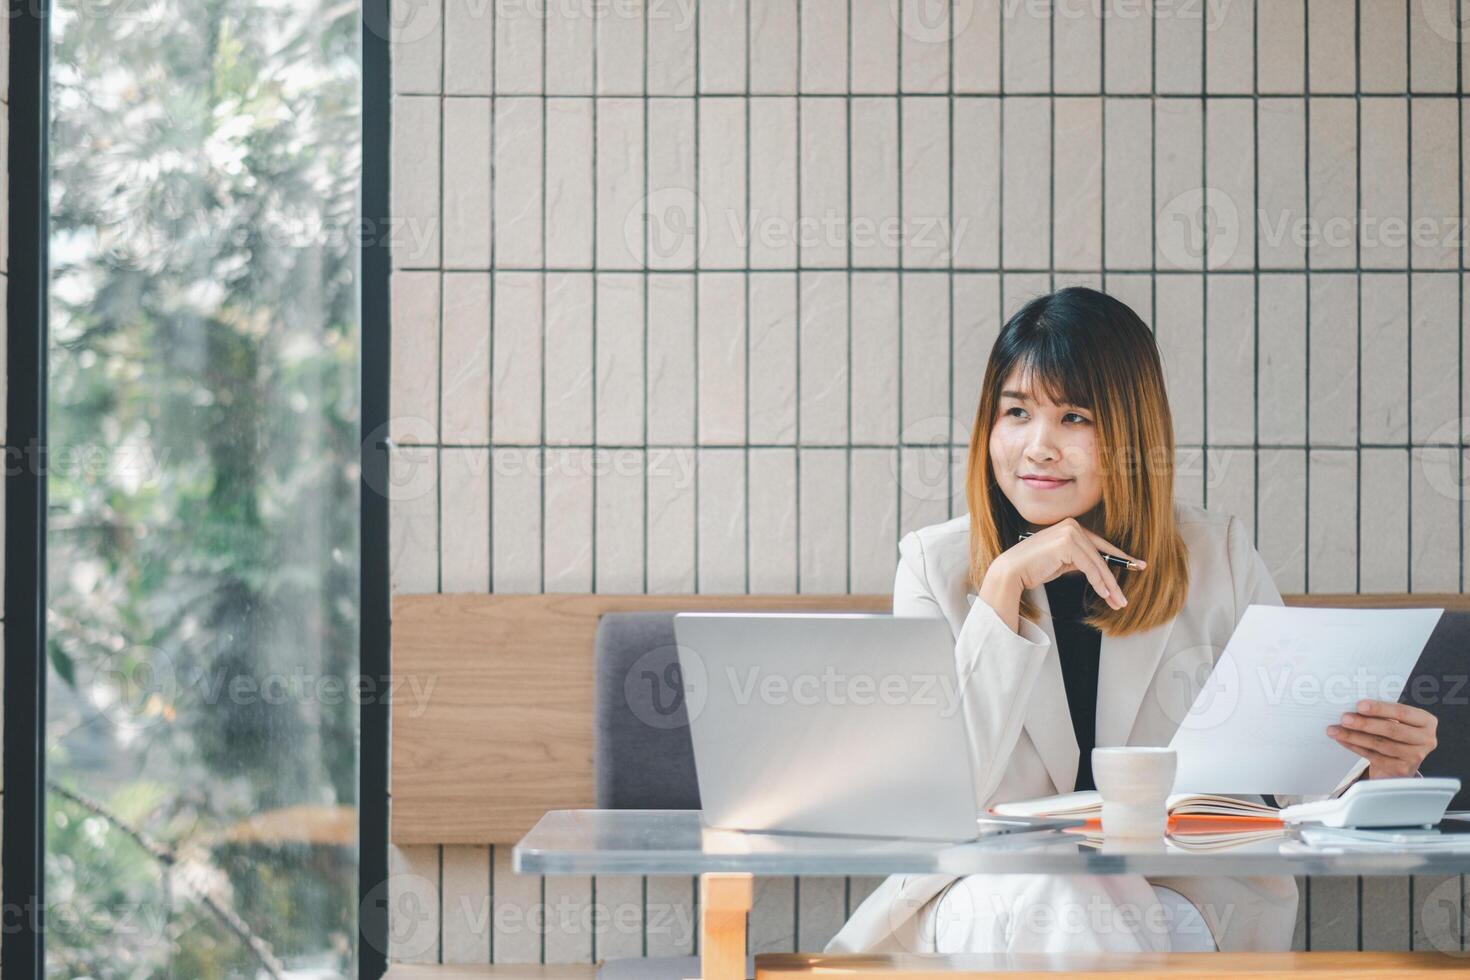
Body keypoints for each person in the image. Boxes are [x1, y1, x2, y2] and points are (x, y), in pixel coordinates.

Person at [825, 286, 1439, 956]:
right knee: (1062, 895)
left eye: (1075, 418)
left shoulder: (1215, 555)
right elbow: (937, 799)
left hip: (1181, 893)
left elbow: (1300, 781)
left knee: (1089, 904)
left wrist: (1380, 771)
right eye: (1017, 412)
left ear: (1131, 430)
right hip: (987, 892)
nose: (1038, 447)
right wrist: (1003, 587)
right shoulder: (933, 567)